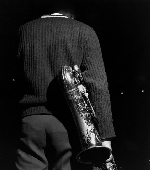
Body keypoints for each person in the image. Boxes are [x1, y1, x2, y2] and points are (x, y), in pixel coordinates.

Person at [14, 1, 116, 170]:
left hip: (30, 122)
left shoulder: (23, 31)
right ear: (71, 15)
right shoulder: (85, 31)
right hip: (71, 125)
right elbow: (98, 86)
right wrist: (105, 137)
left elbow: (12, 81)